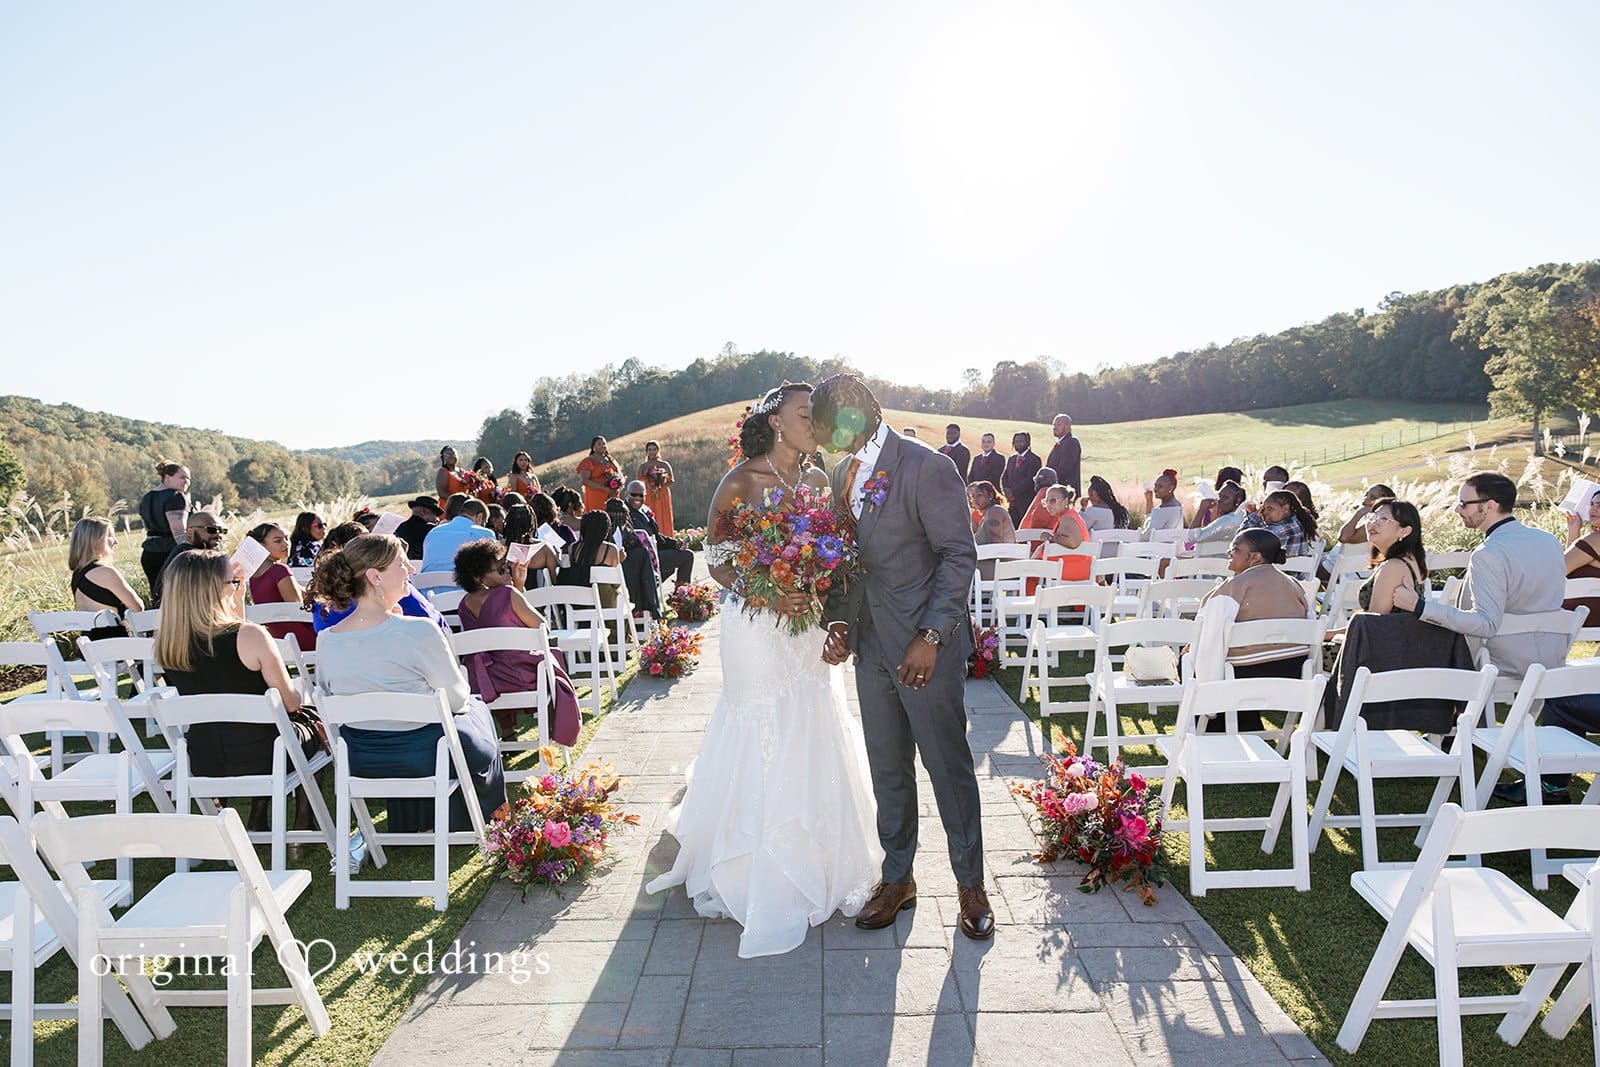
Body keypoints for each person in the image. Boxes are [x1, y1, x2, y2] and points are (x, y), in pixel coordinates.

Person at [646, 379, 885, 958]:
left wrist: (826, 608)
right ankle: (752, 866)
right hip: (755, 628)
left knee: (811, 716)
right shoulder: (740, 482)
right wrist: (769, 591)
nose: (815, 422)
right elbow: (718, 561)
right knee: (759, 720)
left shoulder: (818, 480)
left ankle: (817, 857)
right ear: (777, 421)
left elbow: (835, 555)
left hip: (804, 631)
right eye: (806, 413)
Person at [810, 374, 991, 942]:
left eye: (821, 424)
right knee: (888, 769)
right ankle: (898, 877)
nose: (818, 437)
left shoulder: (926, 466)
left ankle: (970, 885)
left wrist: (932, 637)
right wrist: (837, 622)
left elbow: (959, 556)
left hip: (923, 652)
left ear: (849, 417)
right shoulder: (841, 474)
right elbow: (846, 564)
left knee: (947, 767)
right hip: (869, 648)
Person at [313, 534, 506, 833]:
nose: (412, 571)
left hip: (361, 760)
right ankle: (475, 819)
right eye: (402, 564)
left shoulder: (325, 641)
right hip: (428, 757)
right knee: (477, 710)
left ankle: (414, 822)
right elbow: (456, 700)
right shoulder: (419, 631)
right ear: (375, 577)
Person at [157, 550, 323, 835]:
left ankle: (260, 818)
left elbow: (223, 655)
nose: (236, 586)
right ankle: (303, 824)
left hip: (206, 757)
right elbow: (291, 702)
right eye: (232, 581)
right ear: (213, 590)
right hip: (266, 756)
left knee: (266, 729)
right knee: (314, 727)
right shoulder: (252, 636)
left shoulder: (167, 645)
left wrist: (236, 598)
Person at [1393, 472, 1567, 683]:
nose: (1457, 509)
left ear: (1490, 506)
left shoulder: (1489, 553)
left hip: (1502, 663)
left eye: (1464, 504)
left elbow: (1485, 624)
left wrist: (1418, 606)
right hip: (1553, 658)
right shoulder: (1549, 541)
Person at [452, 540, 579, 744]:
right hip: (519, 676)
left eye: (507, 565)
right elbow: (541, 628)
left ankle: (508, 731)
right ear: (478, 578)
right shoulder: (507, 594)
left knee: (494, 662)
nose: (508, 571)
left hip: (483, 681)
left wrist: (517, 586)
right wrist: (517, 588)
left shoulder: (463, 604)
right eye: (501, 569)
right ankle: (554, 729)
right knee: (550, 659)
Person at [1199, 529, 1312, 731]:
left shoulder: (1234, 586)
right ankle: (1248, 725)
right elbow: (1311, 628)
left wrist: (1209, 700)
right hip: (1294, 671)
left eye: (1235, 549)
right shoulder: (1294, 585)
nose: (1229, 553)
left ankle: (1214, 729)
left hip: (1245, 674)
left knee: (1192, 656)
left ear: (1255, 557)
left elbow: (1211, 640)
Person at [311, 522, 449, 633]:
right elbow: (437, 624)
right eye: (401, 564)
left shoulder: (326, 602)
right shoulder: (396, 590)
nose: (411, 570)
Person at [245, 522, 317, 651]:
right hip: (300, 639)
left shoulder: (251, 576)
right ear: (261, 546)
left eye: (287, 538)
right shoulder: (279, 571)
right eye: (278, 541)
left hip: (276, 641)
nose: (286, 544)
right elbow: (299, 609)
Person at [69, 517, 142, 640]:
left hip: (91, 649)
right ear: (95, 540)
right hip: (119, 648)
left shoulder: (77, 575)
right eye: (110, 535)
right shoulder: (106, 573)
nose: (115, 541)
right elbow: (139, 608)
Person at [1356, 499, 1428, 615]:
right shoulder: (1408, 559)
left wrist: (1324, 633)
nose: (1373, 523)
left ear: (1404, 531)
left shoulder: (1393, 567)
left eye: (1383, 519)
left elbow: (1373, 625)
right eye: (1372, 517)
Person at [626, 480, 694, 587]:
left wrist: (675, 544)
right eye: (634, 495)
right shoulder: (625, 512)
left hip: (653, 553)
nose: (637, 498)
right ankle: (681, 597)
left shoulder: (644, 510)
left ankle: (647, 592)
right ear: (627, 494)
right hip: (642, 558)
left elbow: (656, 536)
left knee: (672, 565)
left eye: (641, 495)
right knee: (687, 556)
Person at [152, 511, 226, 608]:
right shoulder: (189, 556)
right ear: (190, 532)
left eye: (221, 530)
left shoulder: (184, 551)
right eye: (211, 529)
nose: (218, 535)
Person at [137, 461, 190, 593]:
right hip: (170, 553)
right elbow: (179, 531)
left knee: (158, 599)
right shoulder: (175, 497)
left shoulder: (146, 498)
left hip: (149, 553)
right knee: (178, 599)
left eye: (189, 478)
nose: (187, 482)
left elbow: (146, 526)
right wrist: (189, 552)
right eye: (182, 477)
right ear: (167, 477)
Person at [606, 498, 663, 619]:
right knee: (642, 558)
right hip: (630, 590)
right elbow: (653, 564)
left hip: (609, 589)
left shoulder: (602, 540)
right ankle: (649, 611)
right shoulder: (636, 536)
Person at [556, 510, 623, 608]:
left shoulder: (573, 548)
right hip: (603, 603)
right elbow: (616, 584)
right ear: (605, 529)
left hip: (579, 601)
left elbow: (577, 574)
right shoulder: (611, 549)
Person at [420, 494, 497, 574]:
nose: (483, 526)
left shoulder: (433, 532)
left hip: (428, 584)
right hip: (464, 585)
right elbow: (493, 568)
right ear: (479, 517)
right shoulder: (485, 534)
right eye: (484, 523)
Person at [1035, 485, 1091, 581]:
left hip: (1071, 573)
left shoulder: (1067, 519)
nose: (1048, 504)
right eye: (1046, 501)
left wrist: (1050, 538)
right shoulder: (1069, 516)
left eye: (1052, 501)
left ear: (1065, 501)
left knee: (1029, 572)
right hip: (1078, 570)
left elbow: (1073, 542)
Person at [1240, 489, 1316, 557]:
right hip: (1293, 571)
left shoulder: (1279, 530)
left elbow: (1241, 539)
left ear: (1286, 508)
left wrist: (1255, 515)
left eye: (1270, 509)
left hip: (1272, 572)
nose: (1264, 512)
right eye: (1263, 508)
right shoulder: (1298, 523)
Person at [501, 503, 561, 586]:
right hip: (537, 596)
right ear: (532, 523)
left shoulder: (499, 547)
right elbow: (555, 581)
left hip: (507, 596)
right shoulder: (544, 549)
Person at [969, 481, 1017, 581]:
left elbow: (995, 548)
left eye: (979, 495)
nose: (975, 500)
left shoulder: (995, 511)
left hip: (1000, 569)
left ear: (991, 495)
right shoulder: (986, 515)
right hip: (993, 566)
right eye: (973, 497)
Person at [635, 440, 676, 536]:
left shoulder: (664, 464)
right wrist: (649, 485)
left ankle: (666, 536)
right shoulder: (642, 466)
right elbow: (638, 481)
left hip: (662, 493)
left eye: (654, 449)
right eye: (650, 449)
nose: (652, 452)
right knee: (650, 514)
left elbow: (671, 480)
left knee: (664, 515)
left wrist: (660, 485)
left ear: (658, 450)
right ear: (646, 451)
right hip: (648, 493)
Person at [1001, 432, 1041, 527]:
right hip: (1012, 502)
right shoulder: (1012, 459)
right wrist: (1007, 491)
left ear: (1028, 442)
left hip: (1025, 501)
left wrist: (1014, 492)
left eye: (1021, 441)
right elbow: (1004, 477)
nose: (1018, 444)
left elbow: (1030, 480)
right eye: (1016, 441)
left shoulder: (1034, 459)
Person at [1191, 481, 1248, 546]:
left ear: (1238, 500)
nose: (1220, 500)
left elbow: (1193, 537)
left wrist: (1201, 510)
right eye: (1219, 496)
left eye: (1226, 497)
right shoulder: (1242, 515)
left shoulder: (1227, 521)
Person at [576, 436, 621, 514]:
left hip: (612, 495)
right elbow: (585, 481)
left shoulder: (610, 460)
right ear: (593, 447)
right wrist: (604, 488)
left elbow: (620, 474)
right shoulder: (588, 461)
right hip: (596, 496)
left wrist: (619, 484)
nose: (603, 446)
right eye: (599, 444)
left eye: (604, 443)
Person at [1044, 413, 1081, 498]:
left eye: (1059, 425)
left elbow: (1065, 468)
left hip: (1065, 492)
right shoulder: (1062, 442)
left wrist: (1049, 480)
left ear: (1068, 426)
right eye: (1054, 425)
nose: (1054, 427)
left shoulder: (1071, 442)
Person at [395, 496, 442, 560]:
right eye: (434, 514)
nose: (436, 519)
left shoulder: (400, 527)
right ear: (424, 511)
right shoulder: (430, 529)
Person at [1142, 468, 1185, 538]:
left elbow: (1146, 536)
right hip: (1172, 548)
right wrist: (1149, 501)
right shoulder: (1178, 506)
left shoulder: (1163, 510)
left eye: (1160, 486)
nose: (1155, 489)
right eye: (1155, 485)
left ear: (1171, 488)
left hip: (1157, 548)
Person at [436, 446, 468, 511]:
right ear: (443, 457)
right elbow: (442, 493)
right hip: (449, 509)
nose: (452, 455)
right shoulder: (443, 471)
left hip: (464, 508)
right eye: (448, 454)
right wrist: (459, 500)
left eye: (454, 453)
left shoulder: (462, 471)